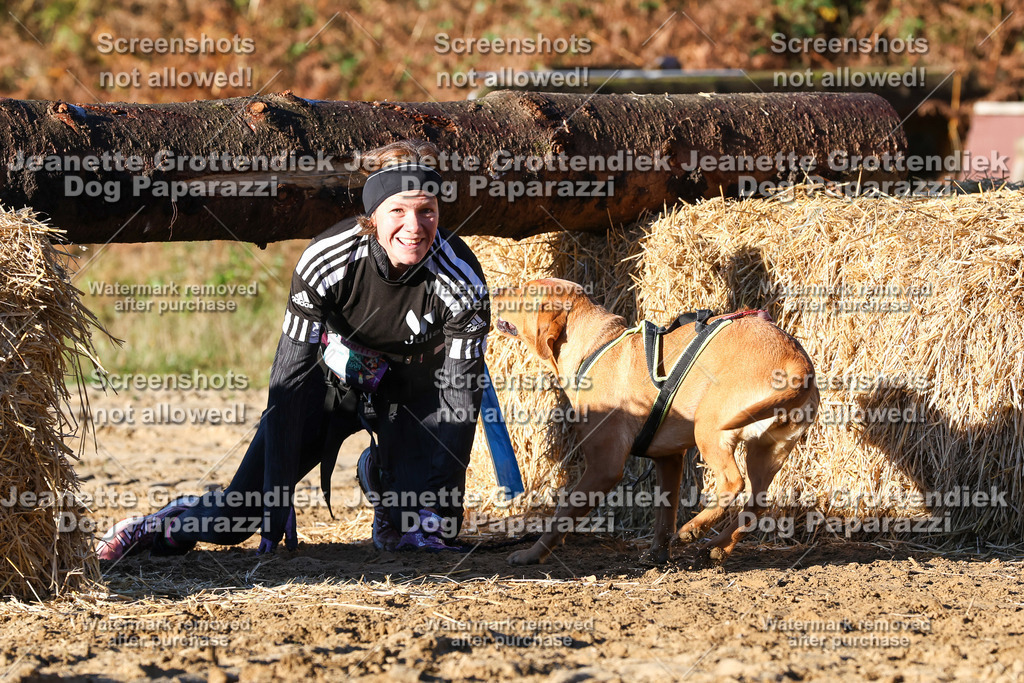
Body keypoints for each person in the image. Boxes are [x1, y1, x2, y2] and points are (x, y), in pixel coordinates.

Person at [97, 140, 490, 559]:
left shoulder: (462, 281)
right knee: (236, 522)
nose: (414, 226)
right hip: (329, 384)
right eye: (398, 210)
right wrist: (277, 490)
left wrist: (439, 511)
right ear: (373, 216)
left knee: (430, 529)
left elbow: (460, 398)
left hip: (412, 396)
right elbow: (288, 378)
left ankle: (384, 481)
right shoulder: (328, 258)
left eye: (426, 211)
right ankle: (164, 524)